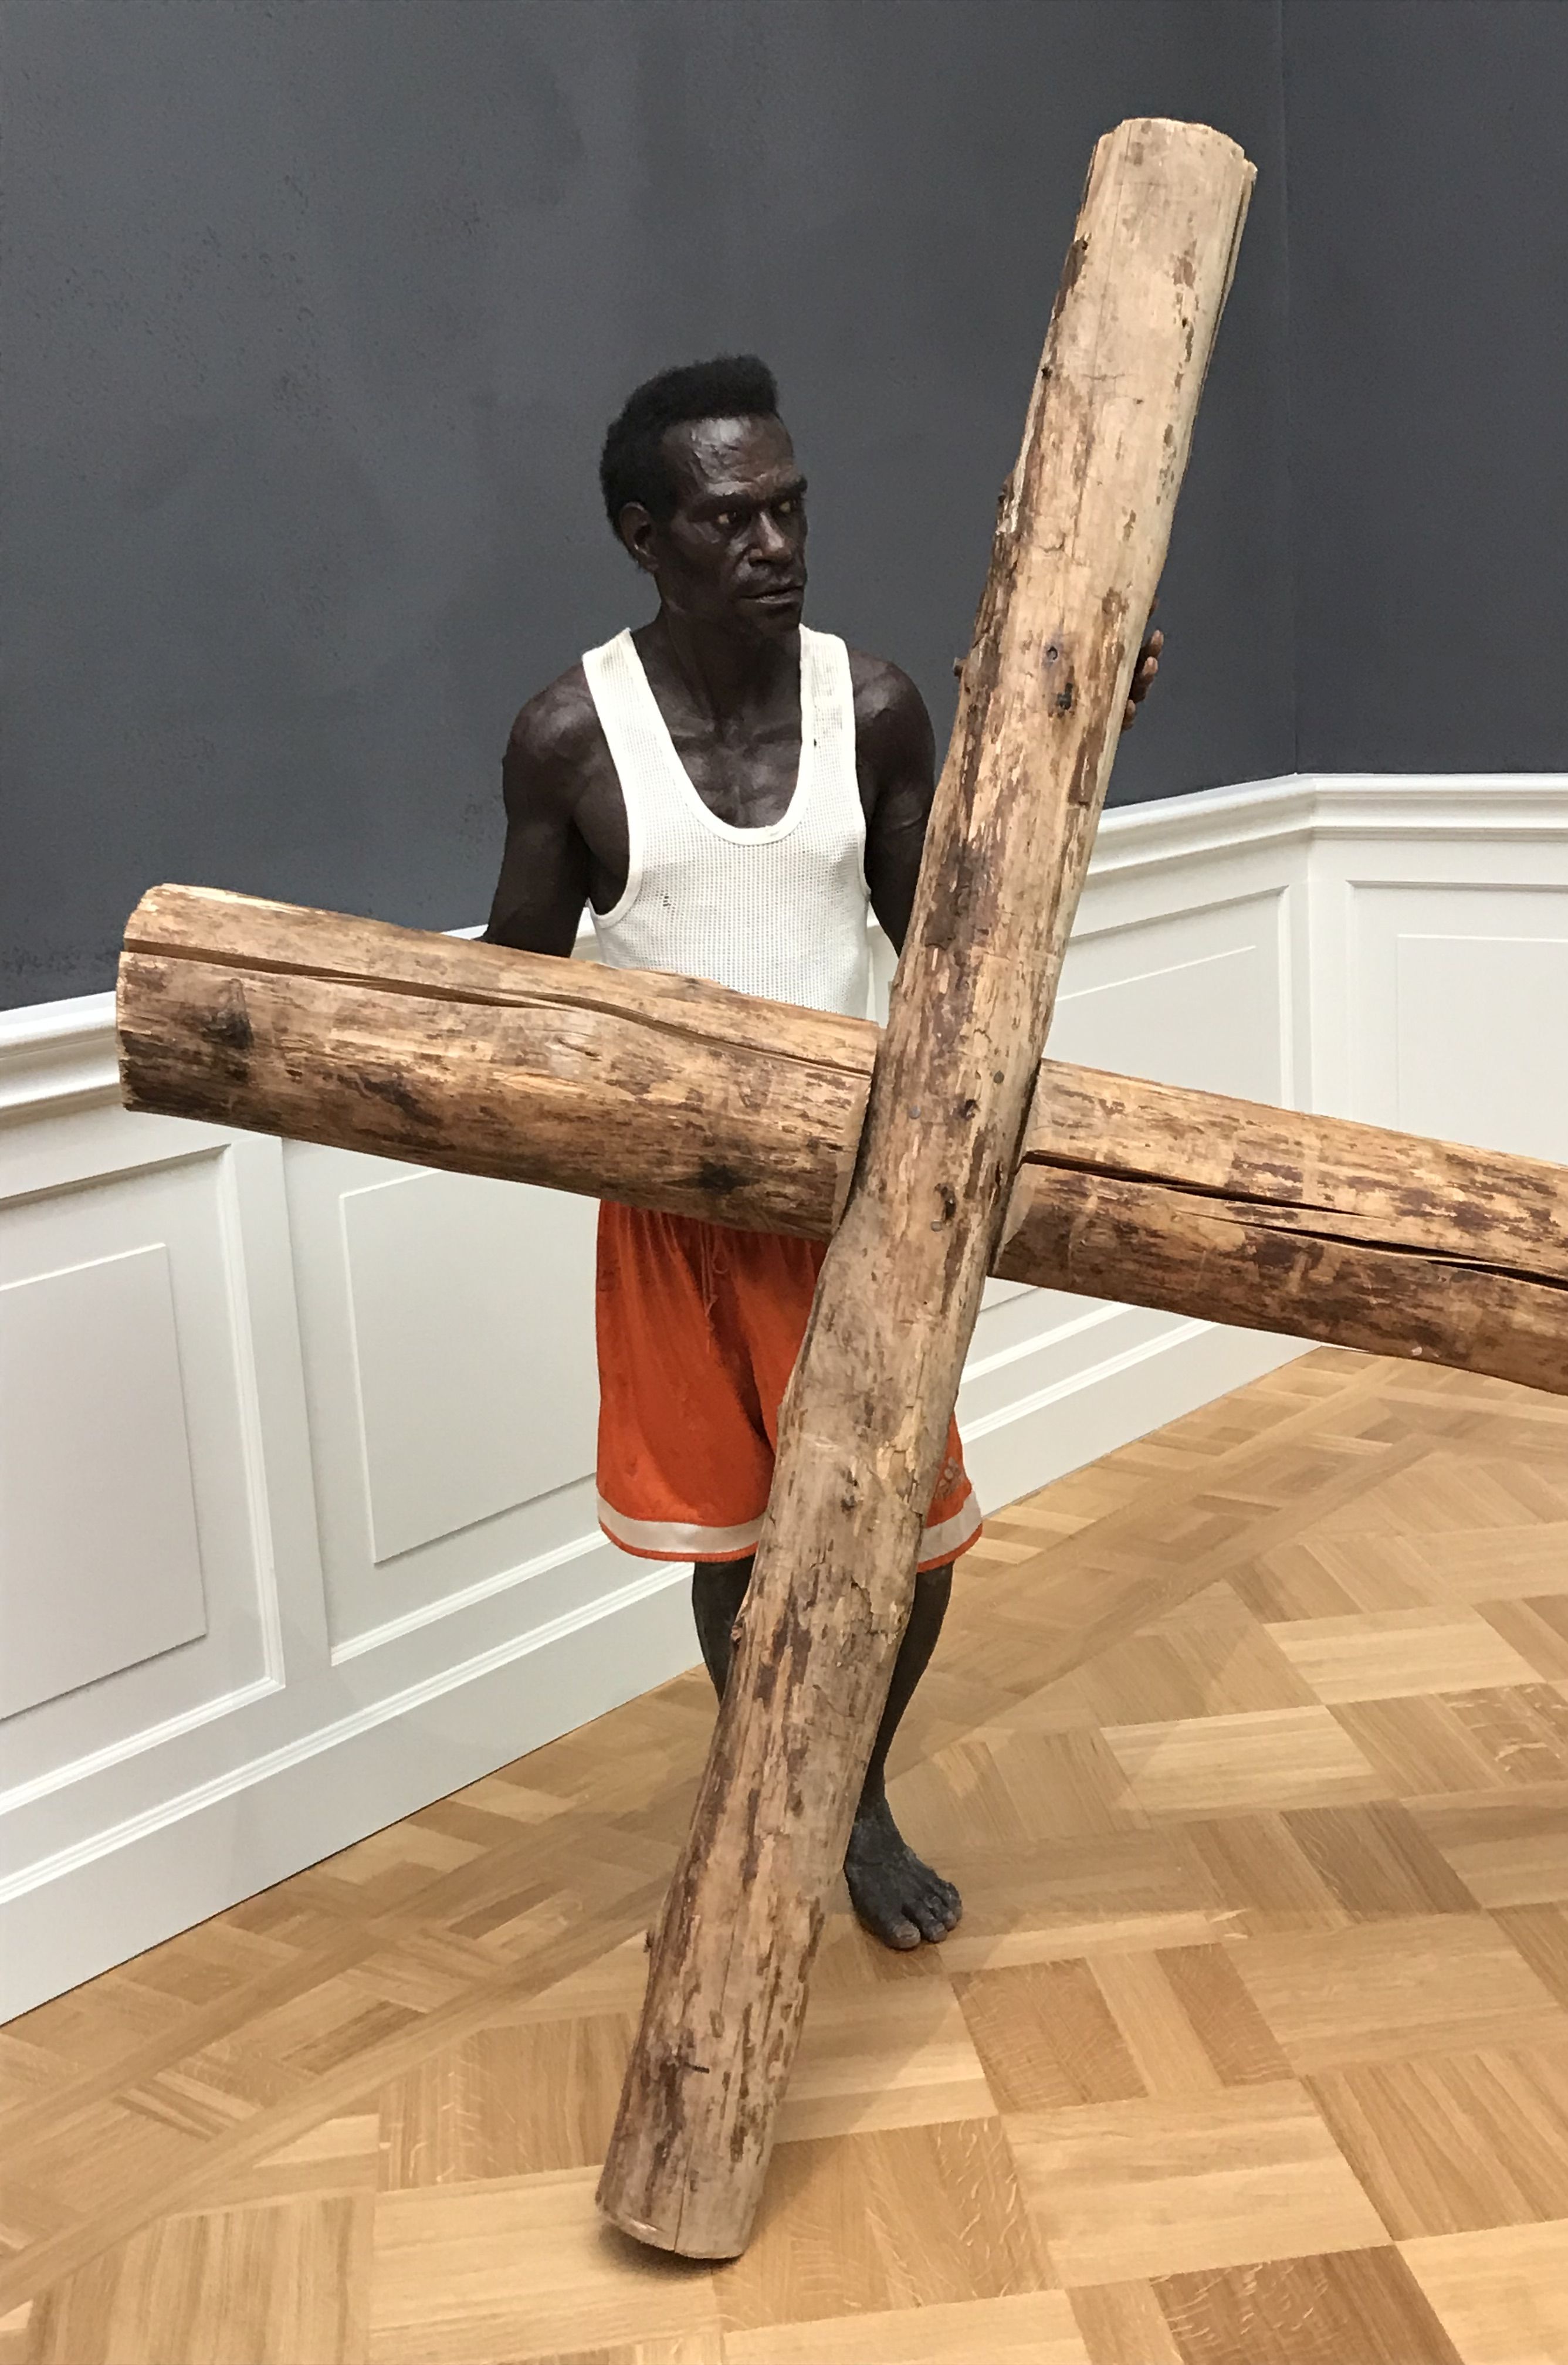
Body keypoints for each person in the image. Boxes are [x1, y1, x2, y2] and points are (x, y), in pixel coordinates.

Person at [483, 355, 1159, 1948]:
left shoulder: (873, 708)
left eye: (790, 508)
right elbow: (508, 997)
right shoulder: (572, 737)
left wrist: (1069, 747)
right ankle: (795, 1793)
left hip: (862, 1201)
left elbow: (952, 946)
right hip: (677, 1218)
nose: (776, 543)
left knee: (910, 1536)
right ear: (644, 535)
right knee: (736, 1543)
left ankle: (849, 1793)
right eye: (732, 518)